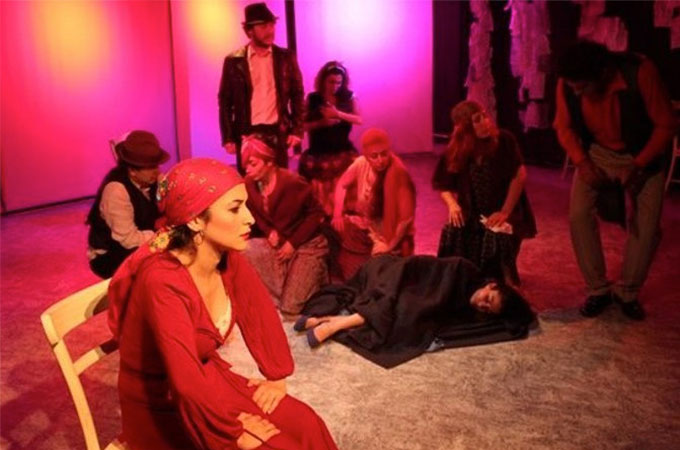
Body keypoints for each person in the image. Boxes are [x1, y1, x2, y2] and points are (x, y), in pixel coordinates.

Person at [107, 158, 338, 450]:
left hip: (207, 377)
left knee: (306, 423)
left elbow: (259, 312)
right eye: (234, 208)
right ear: (194, 220)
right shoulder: (162, 280)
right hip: (162, 401)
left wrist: (276, 374)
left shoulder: (227, 257)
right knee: (274, 446)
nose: (250, 219)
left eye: (246, 205)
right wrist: (231, 431)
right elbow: (185, 383)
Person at [553, 40, 677, 320]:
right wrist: (582, 162)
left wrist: (639, 165)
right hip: (597, 153)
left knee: (646, 227)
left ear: (602, 74)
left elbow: (666, 124)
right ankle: (598, 289)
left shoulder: (640, 71)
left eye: (582, 86)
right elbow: (563, 126)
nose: (576, 92)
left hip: (642, 152)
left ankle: (628, 292)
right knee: (578, 215)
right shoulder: (569, 82)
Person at [294, 255, 536, 369]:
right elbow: (425, 272)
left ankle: (329, 320)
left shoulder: (469, 310)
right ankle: (335, 325)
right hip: (393, 272)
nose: (483, 304)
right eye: (488, 299)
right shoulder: (463, 268)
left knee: (407, 314)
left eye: (488, 309)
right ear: (491, 285)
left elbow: (434, 307)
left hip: (404, 294)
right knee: (401, 303)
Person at [432, 100, 536, 286]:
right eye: (477, 120)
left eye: (484, 116)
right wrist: (452, 204)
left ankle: (504, 281)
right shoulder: (457, 149)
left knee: (496, 235)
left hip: (503, 209)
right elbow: (442, 183)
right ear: (465, 128)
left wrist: (505, 212)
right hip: (472, 212)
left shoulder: (504, 140)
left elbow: (519, 175)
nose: (485, 122)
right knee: (452, 230)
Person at [241, 135, 329, 320]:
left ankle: (315, 277)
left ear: (269, 163)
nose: (248, 169)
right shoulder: (249, 184)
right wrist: (269, 231)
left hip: (307, 243)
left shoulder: (292, 183)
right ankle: (287, 287)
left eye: (253, 164)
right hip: (280, 242)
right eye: (246, 165)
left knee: (291, 308)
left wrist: (293, 243)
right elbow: (255, 213)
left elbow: (316, 214)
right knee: (246, 249)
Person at [218, 2, 304, 174]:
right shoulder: (234, 61)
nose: (270, 31)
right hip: (247, 132)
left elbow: (297, 94)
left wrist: (297, 130)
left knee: (279, 181)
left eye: (272, 25)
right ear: (250, 31)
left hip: (277, 131)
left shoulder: (285, 57)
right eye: (264, 26)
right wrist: (228, 137)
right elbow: (225, 101)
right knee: (251, 180)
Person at [331, 128, 416, 281]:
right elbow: (342, 184)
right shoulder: (361, 163)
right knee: (332, 237)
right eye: (374, 156)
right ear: (366, 156)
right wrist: (337, 214)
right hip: (367, 228)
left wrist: (389, 246)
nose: (380, 160)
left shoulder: (398, 173)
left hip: (389, 237)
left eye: (384, 154)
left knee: (374, 277)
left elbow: (406, 219)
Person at [86, 130, 169, 278]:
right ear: (132, 170)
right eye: (149, 167)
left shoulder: (154, 178)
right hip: (112, 253)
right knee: (159, 271)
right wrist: (165, 236)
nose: (156, 172)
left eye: (156, 165)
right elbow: (128, 240)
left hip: (142, 236)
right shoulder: (116, 191)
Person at [299, 61, 362, 215]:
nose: (335, 86)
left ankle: (345, 211)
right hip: (319, 150)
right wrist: (322, 123)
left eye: (338, 83)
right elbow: (301, 126)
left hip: (342, 148)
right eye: (331, 82)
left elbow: (359, 119)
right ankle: (323, 213)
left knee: (353, 168)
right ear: (323, 80)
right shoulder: (313, 98)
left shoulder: (349, 97)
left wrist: (338, 114)